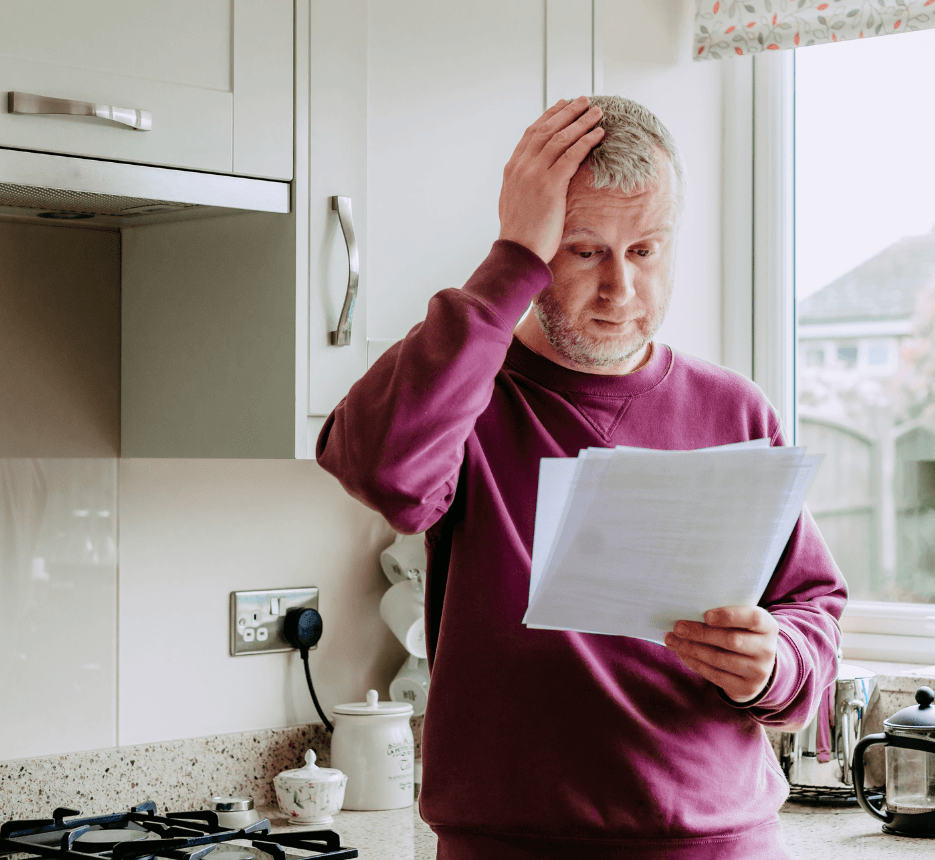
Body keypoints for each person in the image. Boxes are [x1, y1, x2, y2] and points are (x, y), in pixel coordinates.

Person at [317, 94, 846, 860]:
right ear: (535, 249)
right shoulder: (473, 394)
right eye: (584, 250)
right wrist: (509, 262)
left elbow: (810, 606)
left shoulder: (735, 409)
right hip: (510, 846)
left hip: (720, 843)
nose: (620, 292)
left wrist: (778, 663)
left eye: (646, 252)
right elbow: (383, 471)